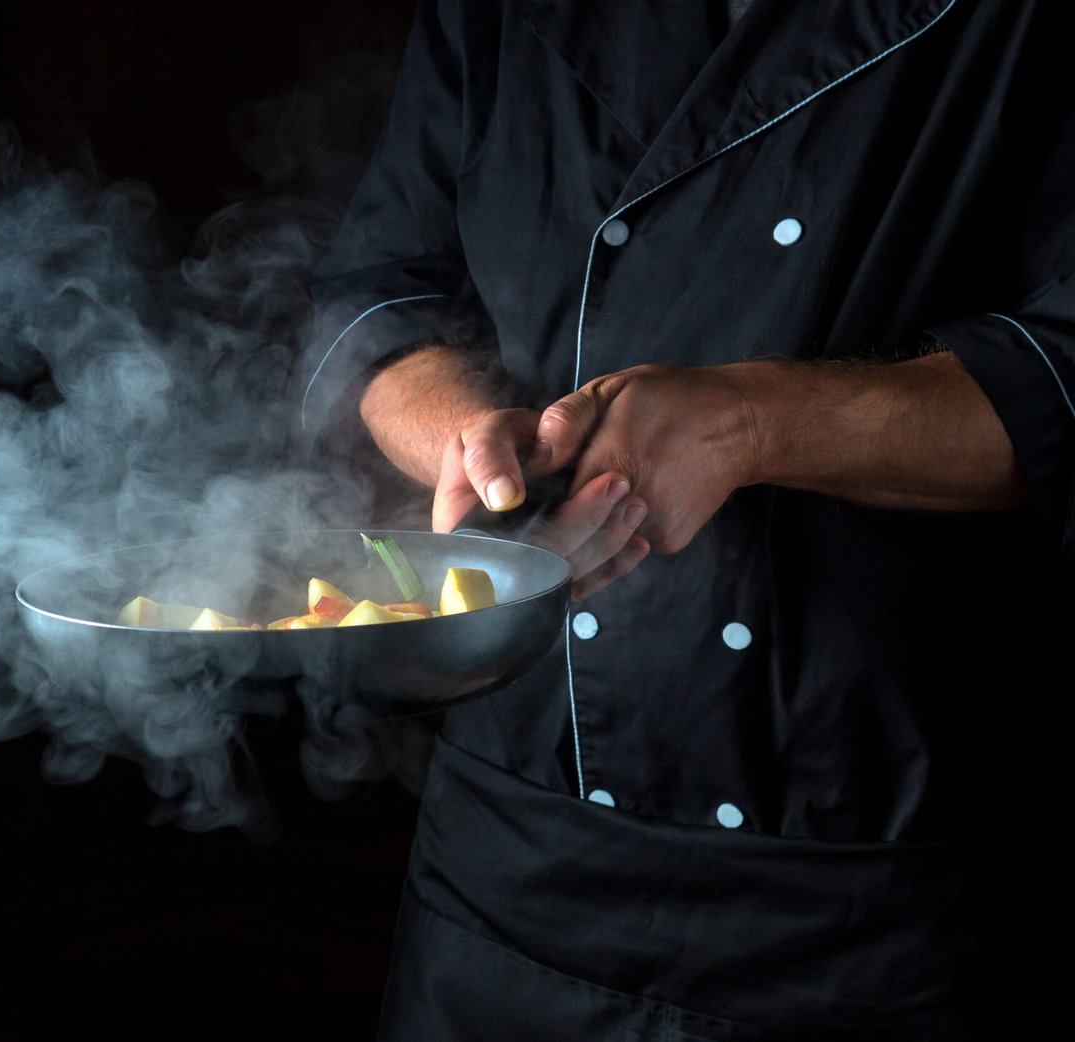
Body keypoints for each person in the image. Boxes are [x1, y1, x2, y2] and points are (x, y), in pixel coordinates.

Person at [300, 0, 1075, 1037]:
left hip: (882, 901)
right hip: (508, 870)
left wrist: (748, 421)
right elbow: (382, 299)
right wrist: (469, 438)